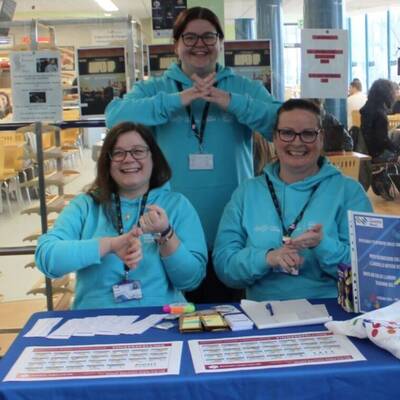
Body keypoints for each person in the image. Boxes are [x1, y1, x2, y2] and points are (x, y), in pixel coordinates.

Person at [105, 7, 281, 303]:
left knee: (229, 316)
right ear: (176, 45)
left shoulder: (241, 87)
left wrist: (231, 102)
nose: (200, 44)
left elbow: (279, 123)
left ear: (221, 44)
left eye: (209, 36)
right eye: (190, 37)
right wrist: (177, 100)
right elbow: (115, 117)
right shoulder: (157, 89)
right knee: (177, 316)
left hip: (232, 224)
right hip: (169, 227)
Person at [35, 122, 207, 309]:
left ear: (153, 157)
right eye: (118, 153)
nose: (128, 159)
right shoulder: (85, 206)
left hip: (162, 321)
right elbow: (47, 259)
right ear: (107, 162)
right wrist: (109, 245)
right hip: (94, 325)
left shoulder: (177, 205)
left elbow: (190, 280)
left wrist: (165, 234)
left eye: (138, 151)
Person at [213, 99, 373, 301]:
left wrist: (324, 245)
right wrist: (267, 258)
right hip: (262, 314)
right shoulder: (247, 192)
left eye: (308, 134)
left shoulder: (349, 192)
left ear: (321, 138)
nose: (297, 142)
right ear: (275, 137)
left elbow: (368, 268)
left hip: (332, 312)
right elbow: (224, 266)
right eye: (287, 133)